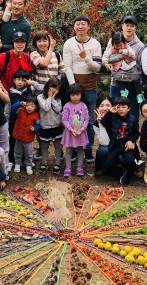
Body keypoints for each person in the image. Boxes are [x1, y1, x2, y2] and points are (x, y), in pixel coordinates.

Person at [62, 15, 102, 163]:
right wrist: (74, 87)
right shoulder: (69, 43)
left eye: (83, 24)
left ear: (88, 26)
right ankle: (73, 148)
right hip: (74, 88)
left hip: (90, 87)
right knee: (73, 119)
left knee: (89, 120)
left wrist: (85, 57)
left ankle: (88, 148)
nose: (80, 26)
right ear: (74, 27)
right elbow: (67, 67)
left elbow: (97, 68)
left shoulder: (95, 44)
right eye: (77, 24)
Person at [29, 30, 64, 162]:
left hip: (55, 93)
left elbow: (62, 71)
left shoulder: (57, 55)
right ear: (35, 43)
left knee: (57, 120)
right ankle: (41, 147)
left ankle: (59, 148)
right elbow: (43, 63)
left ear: (49, 41)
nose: (42, 43)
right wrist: (51, 49)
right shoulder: (34, 54)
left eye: (45, 40)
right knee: (41, 121)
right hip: (40, 94)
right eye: (39, 41)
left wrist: (57, 88)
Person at [103, 15, 145, 125]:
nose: (129, 28)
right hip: (117, 83)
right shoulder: (112, 41)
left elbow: (140, 64)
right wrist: (108, 63)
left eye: (132, 25)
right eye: (127, 25)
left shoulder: (140, 46)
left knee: (133, 115)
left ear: (136, 28)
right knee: (116, 113)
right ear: (122, 26)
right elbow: (108, 57)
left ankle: (132, 135)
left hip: (132, 84)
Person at [96, 96, 139, 185]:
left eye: (124, 107)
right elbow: (104, 122)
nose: (121, 109)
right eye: (118, 107)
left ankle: (130, 172)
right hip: (115, 145)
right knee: (108, 164)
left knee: (129, 161)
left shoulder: (132, 119)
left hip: (126, 144)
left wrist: (131, 140)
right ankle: (120, 172)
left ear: (128, 108)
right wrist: (110, 112)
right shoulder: (113, 117)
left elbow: (136, 133)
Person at [36, 77, 64, 174]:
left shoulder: (58, 98)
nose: (54, 90)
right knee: (44, 146)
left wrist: (53, 99)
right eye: (53, 87)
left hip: (57, 125)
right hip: (45, 126)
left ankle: (57, 163)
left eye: (57, 88)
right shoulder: (40, 97)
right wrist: (49, 97)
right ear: (48, 86)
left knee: (58, 146)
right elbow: (46, 107)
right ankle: (44, 163)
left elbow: (58, 109)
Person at [61, 83, 89, 178]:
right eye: (73, 95)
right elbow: (64, 119)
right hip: (70, 133)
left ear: (81, 95)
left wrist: (82, 129)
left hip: (81, 132)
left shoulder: (83, 106)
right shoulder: (67, 106)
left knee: (80, 150)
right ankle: (68, 168)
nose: (75, 97)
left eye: (77, 94)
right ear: (69, 95)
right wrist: (70, 129)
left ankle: (80, 167)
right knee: (69, 150)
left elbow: (86, 119)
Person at [12, 94, 40, 174]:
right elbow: (12, 108)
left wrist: (35, 128)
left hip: (29, 139)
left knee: (29, 154)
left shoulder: (36, 115)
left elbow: (38, 124)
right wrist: (19, 103)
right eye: (28, 105)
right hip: (18, 137)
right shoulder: (21, 110)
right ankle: (18, 163)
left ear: (36, 107)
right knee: (17, 152)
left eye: (32, 106)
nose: (29, 108)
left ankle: (28, 165)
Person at [93, 95, 113, 173]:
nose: (105, 108)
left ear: (112, 107)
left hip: (119, 148)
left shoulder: (117, 119)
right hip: (107, 147)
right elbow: (105, 142)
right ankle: (106, 167)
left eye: (108, 105)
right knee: (103, 150)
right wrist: (101, 123)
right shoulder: (96, 124)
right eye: (101, 106)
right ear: (97, 108)